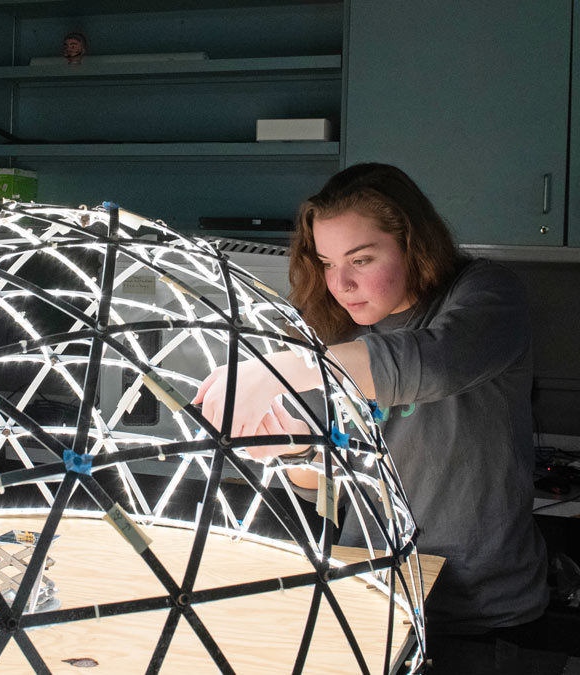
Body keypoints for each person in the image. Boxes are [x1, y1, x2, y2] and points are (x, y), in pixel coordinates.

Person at [194, 163, 549, 670]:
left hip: (480, 615)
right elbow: (330, 492)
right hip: (374, 598)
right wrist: (296, 448)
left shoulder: (486, 293)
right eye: (326, 262)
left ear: (413, 244)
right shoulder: (338, 331)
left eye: (361, 259)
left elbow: (435, 360)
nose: (341, 283)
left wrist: (292, 366)